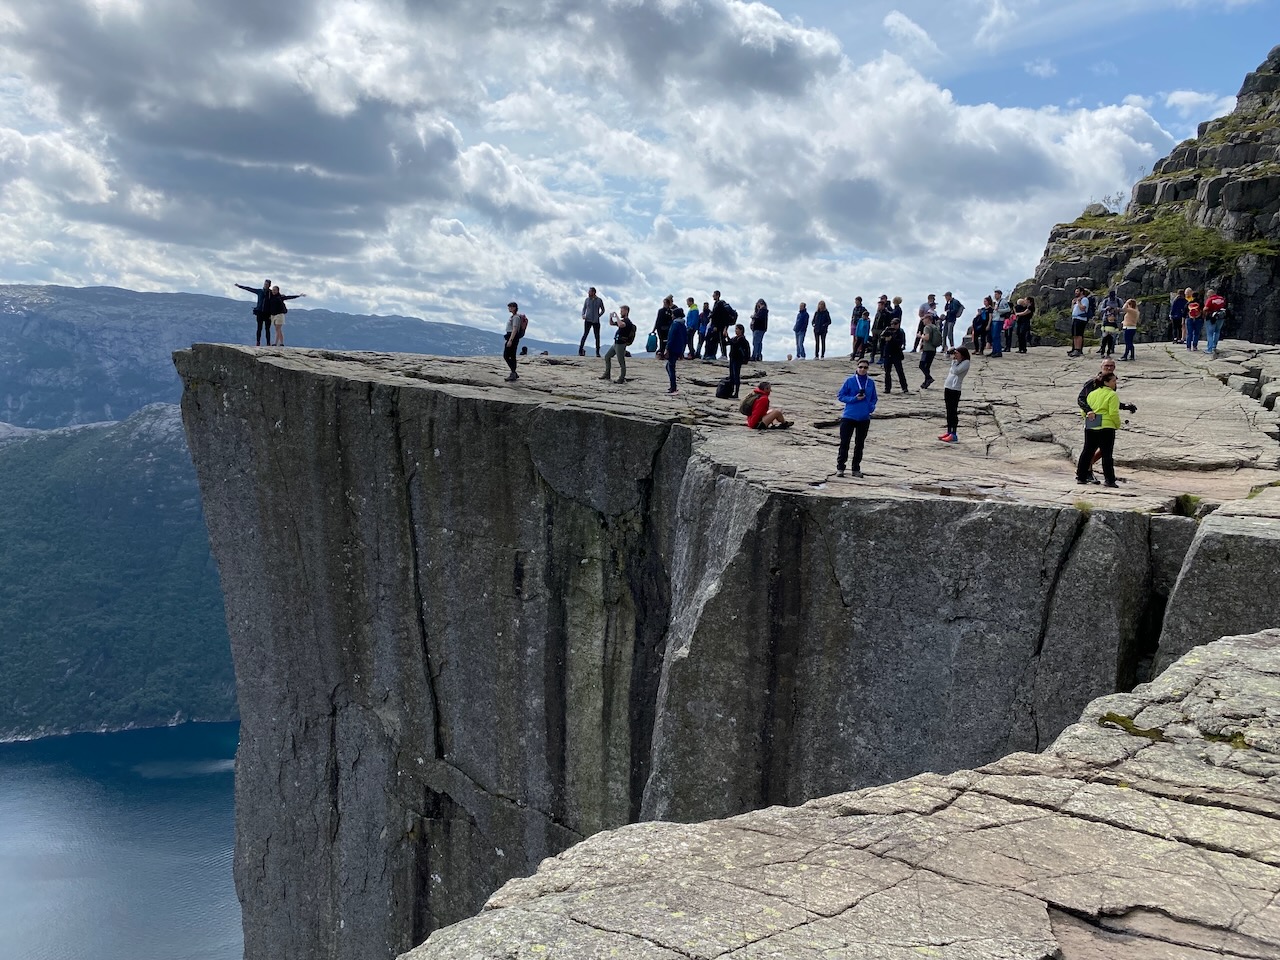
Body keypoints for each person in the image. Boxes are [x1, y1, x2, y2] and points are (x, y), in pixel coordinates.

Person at [1075, 371, 1135, 488]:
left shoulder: (1092, 394)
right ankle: (1109, 480)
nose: (1115, 383)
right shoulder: (1112, 395)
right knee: (1107, 454)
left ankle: (1081, 477)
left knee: (1087, 451)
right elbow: (1113, 413)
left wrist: (1088, 416)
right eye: (1113, 381)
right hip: (1106, 425)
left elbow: (1083, 410)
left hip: (1092, 422)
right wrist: (1117, 424)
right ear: (1106, 382)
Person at [835, 359, 877, 477]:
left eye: (865, 367)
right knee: (844, 443)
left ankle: (856, 469)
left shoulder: (870, 382)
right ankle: (840, 468)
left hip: (864, 418)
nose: (862, 369)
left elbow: (874, 398)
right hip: (849, 416)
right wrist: (854, 399)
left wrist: (870, 407)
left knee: (859, 444)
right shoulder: (850, 380)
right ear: (857, 368)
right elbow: (841, 396)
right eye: (861, 367)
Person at [938, 346, 971, 442]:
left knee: (953, 411)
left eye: (957, 353)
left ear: (962, 354)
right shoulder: (957, 362)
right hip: (948, 387)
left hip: (955, 389)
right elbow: (946, 357)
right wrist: (949, 352)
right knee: (948, 411)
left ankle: (954, 434)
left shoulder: (966, 362)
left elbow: (956, 371)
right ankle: (949, 431)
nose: (955, 355)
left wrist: (954, 361)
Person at [600, 306, 636, 383]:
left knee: (621, 361)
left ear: (626, 311)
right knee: (607, 356)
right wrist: (610, 317)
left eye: (622, 311)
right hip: (616, 343)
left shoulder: (628, 322)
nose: (620, 313)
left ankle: (621, 378)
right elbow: (612, 323)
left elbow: (621, 325)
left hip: (621, 344)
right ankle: (607, 374)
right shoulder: (622, 321)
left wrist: (616, 316)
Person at [235, 278, 274, 346]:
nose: (265, 285)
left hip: (268, 313)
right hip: (259, 312)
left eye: (267, 284)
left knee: (267, 329)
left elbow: (278, 296)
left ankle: (268, 343)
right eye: (265, 284)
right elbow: (250, 289)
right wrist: (240, 286)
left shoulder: (271, 293)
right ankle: (258, 342)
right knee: (259, 328)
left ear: (269, 285)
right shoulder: (260, 291)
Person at [880, 317, 909, 394]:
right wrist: (885, 336)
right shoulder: (888, 330)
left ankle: (904, 387)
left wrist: (891, 339)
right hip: (888, 353)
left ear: (898, 324)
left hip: (896, 353)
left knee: (900, 371)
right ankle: (887, 388)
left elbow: (900, 343)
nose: (893, 325)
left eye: (895, 324)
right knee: (887, 372)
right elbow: (882, 338)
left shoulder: (900, 332)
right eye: (892, 323)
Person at [665, 309, 687, 394]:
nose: (671, 316)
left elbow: (671, 337)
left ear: (675, 315)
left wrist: (667, 349)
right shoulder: (683, 325)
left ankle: (673, 387)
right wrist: (682, 351)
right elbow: (685, 339)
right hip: (679, 349)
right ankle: (673, 385)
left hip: (672, 348)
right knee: (669, 366)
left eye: (672, 314)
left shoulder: (675, 324)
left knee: (670, 367)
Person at [918, 313, 942, 388]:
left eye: (924, 319)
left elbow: (927, 338)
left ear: (928, 319)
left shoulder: (927, 327)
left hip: (927, 349)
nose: (923, 321)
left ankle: (929, 378)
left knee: (921, 365)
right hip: (933, 349)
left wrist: (920, 336)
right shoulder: (934, 327)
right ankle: (926, 383)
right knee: (927, 367)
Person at [579, 287, 605, 357]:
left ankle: (597, 352)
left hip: (596, 321)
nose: (588, 293)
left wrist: (599, 315)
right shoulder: (587, 300)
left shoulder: (599, 300)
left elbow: (603, 310)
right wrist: (583, 315)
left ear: (593, 292)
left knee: (597, 336)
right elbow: (584, 308)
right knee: (585, 334)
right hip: (588, 320)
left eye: (590, 292)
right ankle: (580, 350)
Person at [503, 301, 525, 381]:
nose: (509, 308)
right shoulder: (513, 317)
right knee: (511, 355)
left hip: (513, 337)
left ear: (514, 308)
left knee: (507, 355)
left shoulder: (516, 317)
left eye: (510, 307)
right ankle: (514, 373)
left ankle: (513, 373)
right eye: (509, 307)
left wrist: (510, 340)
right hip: (512, 337)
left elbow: (515, 329)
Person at [727, 323, 750, 397]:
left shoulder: (742, 339)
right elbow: (728, 343)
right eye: (735, 329)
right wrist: (724, 336)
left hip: (738, 359)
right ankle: (730, 391)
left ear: (741, 330)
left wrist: (727, 336)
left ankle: (736, 392)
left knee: (736, 375)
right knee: (731, 375)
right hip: (732, 358)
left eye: (737, 329)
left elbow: (735, 344)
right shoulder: (735, 338)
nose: (735, 331)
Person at [1068, 288, 1090, 357]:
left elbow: (1083, 308)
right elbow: (1073, 310)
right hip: (1075, 318)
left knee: (1079, 335)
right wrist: (1073, 303)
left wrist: (1079, 302)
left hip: (1081, 319)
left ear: (1081, 292)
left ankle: (1078, 349)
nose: (1076, 293)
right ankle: (1074, 349)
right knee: (1075, 335)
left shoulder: (1085, 299)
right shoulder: (1077, 300)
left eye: (1077, 291)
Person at [1204, 289, 1227, 355]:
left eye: (1208, 295)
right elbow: (1224, 306)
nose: (1207, 296)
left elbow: (1206, 308)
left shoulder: (1210, 299)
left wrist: (1203, 313)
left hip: (1212, 318)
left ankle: (1209, 349)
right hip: (1221, 317)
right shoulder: (1221, 299)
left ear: (1210, 294)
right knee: (1217, 331)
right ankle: (1214, 346)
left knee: (1210, 333)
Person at [869, 295, 890, 364]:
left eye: (880, 305)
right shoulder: (878, 313)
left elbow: (887, 323)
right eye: (878, 305)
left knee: (882, 345)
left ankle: (882, 358)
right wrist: (872, 329)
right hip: (875, 330)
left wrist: (885, 331)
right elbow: (875, 321)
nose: (879, 306)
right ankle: (872, 357)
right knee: (874, 344)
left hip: (881, 330)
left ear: (883, 305)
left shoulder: (886, 313)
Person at [653, 295, 676, 360]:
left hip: (667, 328)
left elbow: (671, 320)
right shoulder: (661, 310)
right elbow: (657, 320)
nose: (664, 304)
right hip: (660, 328)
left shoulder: (671, 311)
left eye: (665, 303)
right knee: (661, 340)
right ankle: (662, 353)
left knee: (666, 341)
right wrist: (654, 329)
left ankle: (665, 353)